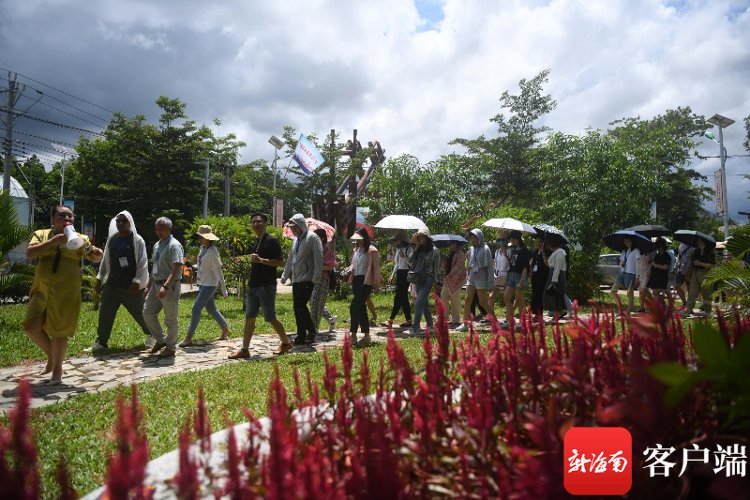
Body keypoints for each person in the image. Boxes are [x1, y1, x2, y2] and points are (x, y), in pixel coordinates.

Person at [24, 205, 103, 383]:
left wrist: (97, 254)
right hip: (42, 288)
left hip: (66, 291)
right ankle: (53, 356)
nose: (67, 218)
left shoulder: (81, 238)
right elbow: (30, 253)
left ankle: (57, 369)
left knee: (60, 331)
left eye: (70, 215)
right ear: (53, 218)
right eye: (61, 215)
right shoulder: (42, 234)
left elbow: (93, 254)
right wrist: (53, 242)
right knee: (32, 327)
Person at [229, 212, 291, 358]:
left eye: (259, 222)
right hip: (253, 285)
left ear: (265, 224)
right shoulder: (257, 240)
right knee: (249, 317)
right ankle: (244, 350)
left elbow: (279, 262)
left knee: (270, 317)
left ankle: (286, 342)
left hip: (266, 285)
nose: (256, 224)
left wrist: (261, 260)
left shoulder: (271, 240)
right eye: (253, 222)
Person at [87, 210, 150, 353]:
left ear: (130, 223)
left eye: (124, 221)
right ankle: (101, 342)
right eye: (118, 221)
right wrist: (99, 278)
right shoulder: (112, 239)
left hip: (131, 286)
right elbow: (105, 260)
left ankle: (153, 335)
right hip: (112, 285)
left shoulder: (137, 240)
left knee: (140, 313)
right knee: (105, 314)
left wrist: (137, 281)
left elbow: (143, 262)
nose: (121, 223)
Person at [180, 225, 230, 347]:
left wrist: (224, 289)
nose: (199, 239)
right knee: (211, 309)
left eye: (201, 237)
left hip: (210, 284)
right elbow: (202, 264)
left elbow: (219, 271)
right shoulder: (203, 249)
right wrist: (191, 266)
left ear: (208, 238)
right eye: (199, 237)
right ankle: (225, 329)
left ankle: (188, 337)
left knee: (196, 308)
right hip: (202, 283)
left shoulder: (213, 252)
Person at [143, 217, 184, 358]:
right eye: (157, 228)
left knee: (170, 319)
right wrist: (148, 286)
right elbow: (154, 266)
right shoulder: (157, 245)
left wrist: (166, 286)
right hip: (155, 284)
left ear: (170, 229)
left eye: (162, 228)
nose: (158, 231)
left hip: (169, 286)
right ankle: (161, 340)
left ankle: (171, 348)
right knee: (147, 313)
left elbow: (177, 268)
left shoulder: (174, 245)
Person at [281, 213, 323, 345]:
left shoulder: (313, 238)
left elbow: (318, 258)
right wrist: (285, 274)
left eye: (295, 227)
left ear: (301, 225)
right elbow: (290, 259)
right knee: (296, 307)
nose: (293, 229)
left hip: (308, 278)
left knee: (300, 305)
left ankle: (311, 331)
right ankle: (301, 335)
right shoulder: (295, 240)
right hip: (296, 278)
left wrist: (316, 276)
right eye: (291, 227)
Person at [455, 228, 495, 332]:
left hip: (481, 278)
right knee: (468, 299)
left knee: (482, 302)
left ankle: (494, 321)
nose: (472, 240)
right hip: (472, 277)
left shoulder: (486, 249)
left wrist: (490, 282)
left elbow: (490, 267)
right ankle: (465, 324)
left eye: (475, 237)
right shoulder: (471, 249)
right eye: (471, 238)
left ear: (480, 237)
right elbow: (469, 265)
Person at [348, 228, 381, 345]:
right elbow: (354, 264)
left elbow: (376, 269)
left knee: (354, 306)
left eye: (360, 238)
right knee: (361, 309)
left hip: (366, 281)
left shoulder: (372, 251)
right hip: (356, 280)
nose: (358, 241)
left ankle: (353, 334)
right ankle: (366, 335)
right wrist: (350, 269)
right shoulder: (356, 250)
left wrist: (377, 284)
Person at [408, 228, 441, 335]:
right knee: (424, 303)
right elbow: (410, 260)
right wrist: (416, 248)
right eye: (419, 237)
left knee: (418, 301)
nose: (421, 239)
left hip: (428, 278)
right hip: (418, 278)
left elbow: (437, 267)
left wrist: (437, 282)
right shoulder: (418, 249)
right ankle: (430, 325)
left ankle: (415, 327)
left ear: (427, 238)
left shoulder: (435, 251)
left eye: (423, 237)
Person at [502, 231, 532, 328]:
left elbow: (525, 267)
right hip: (511, 275)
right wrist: (506, 256)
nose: (511, 240)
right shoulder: (513, 250)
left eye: (513, 239)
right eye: (510, 239)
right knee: (506, 297)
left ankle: (522, 322)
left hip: (520, 276)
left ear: (518, 239)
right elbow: (512, 263)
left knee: (519, 300)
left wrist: (523, 279)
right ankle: (510, 320)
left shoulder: (525, 251)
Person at [310, 228, 336, 337]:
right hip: (311, 279)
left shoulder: (326, 250)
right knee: (313, 302)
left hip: (322, 279)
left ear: (322, 238)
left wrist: (318, 267)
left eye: (316, 237)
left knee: (316, 304)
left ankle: (314, 327)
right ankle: (330, 319)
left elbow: (331, 266)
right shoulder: (313, 249)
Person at [682, 238, 717, 317]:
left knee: (706, 293)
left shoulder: (711, 252)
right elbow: (694, 263)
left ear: (704, 242)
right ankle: (687, 310)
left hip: (707, 274)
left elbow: (713, 266)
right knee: (692, 293)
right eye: (697, 241)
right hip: (695, 273)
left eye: (700, 241)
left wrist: (700, 263)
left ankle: (708, 311)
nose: (698, 243)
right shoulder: (696, 251)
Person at [385, 231, 413, 328]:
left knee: (399, 296)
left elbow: (411, 264)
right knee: (403, 298)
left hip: (406, 274)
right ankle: (408, 320)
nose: (397, 242)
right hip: (400, 273)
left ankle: (391, 319)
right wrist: (392, 275)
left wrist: (404, 257)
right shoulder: (398, 250)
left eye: (398, 240)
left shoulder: (409, 249)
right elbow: (397, 264)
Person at [609, 237, 640, 315]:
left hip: (631, 273)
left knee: (629, 293)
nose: (626, 243)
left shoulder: (636, 251)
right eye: (625, 241)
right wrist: (622, 263)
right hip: (622, 273)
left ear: (632, 241)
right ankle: (621, 310)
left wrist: (637, 277)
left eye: (627, 241)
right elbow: (621, 263)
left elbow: (638, 264)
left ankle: (629, 312)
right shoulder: (624, 251)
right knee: (613, 291)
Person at [440, 240, 467, 327]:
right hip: (448, 279)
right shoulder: (452, 253)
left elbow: (459, 267)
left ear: (456, 244)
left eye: (451, 244)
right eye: (449, 244)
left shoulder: (460, 253)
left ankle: (456, 319)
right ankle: (445, 317)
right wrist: (444, 261)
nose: (449, 245)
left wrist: (450, 276)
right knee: (443, 295)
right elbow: (447, 267)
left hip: (456, 280)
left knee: (455, 299)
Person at [544, 239, 567, 319]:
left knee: (556, 293)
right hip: (554, 274)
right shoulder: (556, 252)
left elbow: (558, 267)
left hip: (557, 275)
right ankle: (558, 311)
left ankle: (561, 310)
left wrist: (554, 280)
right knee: (554, 294)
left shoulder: (560, 252)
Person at [488, 235, 509, 316]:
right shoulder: (497, 251)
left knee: (506, 297)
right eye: (499, 240)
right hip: (498, 275)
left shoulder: (509, 250)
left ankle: (509, 315)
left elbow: (510, 263)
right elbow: (495, 263)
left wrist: (506, 254)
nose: (501, 242)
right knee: (492, 296)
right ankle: (490, 315)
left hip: (506, 275)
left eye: (503, 240)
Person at [529, 234, 549, 320]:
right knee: (534, 293)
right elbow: (532, 264)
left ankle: (539, 314)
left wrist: (543, 252)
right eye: (537, 241)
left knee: (538, 294)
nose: (537, 243)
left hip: (542, 275)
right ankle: (535, 313)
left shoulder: (546, 251)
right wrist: (530, 273)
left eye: (540, 241)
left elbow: (547, 264)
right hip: (535, 275)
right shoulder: (535, 251)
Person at [647, 237, 671, 302]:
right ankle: (661, 308)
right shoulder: (658, 255)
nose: (658, 248)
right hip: (655, 276)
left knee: (656, 293)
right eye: (658, 247)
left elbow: (666, 267)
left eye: (659, 246)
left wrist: (655, 265)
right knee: (655, 294)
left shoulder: (666, 255)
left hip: (661, 277)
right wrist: (652, 262)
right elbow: (655, 262)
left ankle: (658, 309)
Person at [636, 247, 655, 312]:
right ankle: (641, 307)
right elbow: (638, 263)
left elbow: (653, 263)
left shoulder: (652, 251)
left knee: (644, 290)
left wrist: (651, 260)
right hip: (641, 272)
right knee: (641, 291)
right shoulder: (639, 251)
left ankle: (655, 303)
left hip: (648, 272)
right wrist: (637, 276)